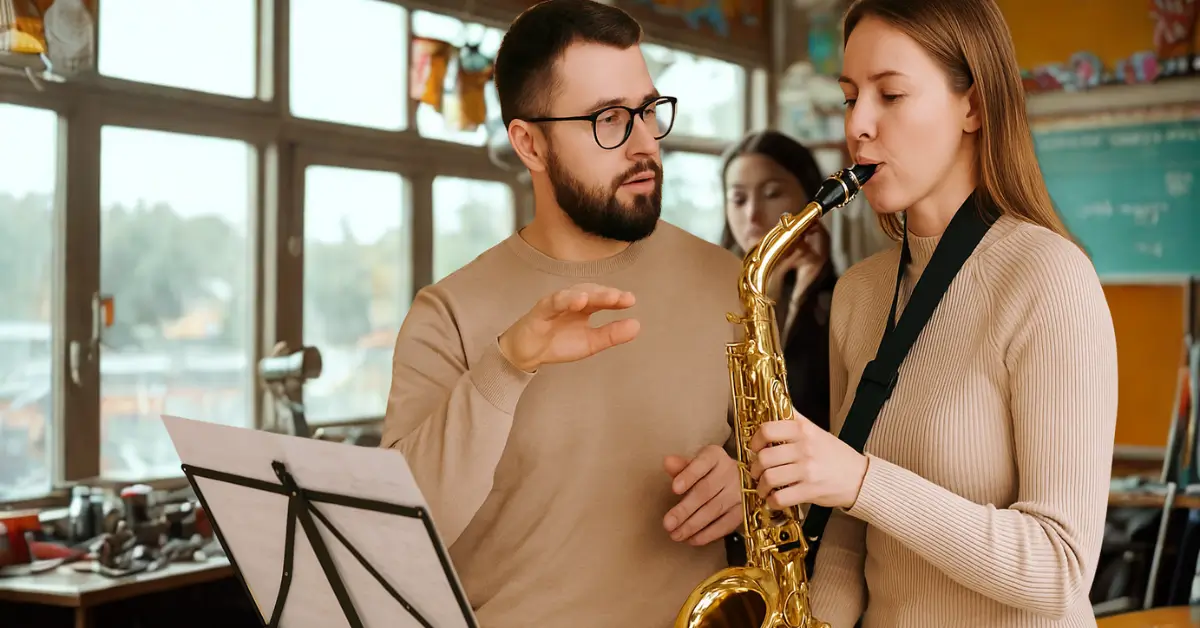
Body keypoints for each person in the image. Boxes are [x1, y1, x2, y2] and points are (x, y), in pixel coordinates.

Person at [745, 0, 1119, 626]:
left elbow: (1060, 569)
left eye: (890, 95)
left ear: (973, 105)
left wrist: (864, 481)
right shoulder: (858, 294)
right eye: (849, 97)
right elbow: (845, 543)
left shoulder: (1049, 277)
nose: (858, 125)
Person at [381, 1, 745, 626]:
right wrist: (505, 368)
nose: (643, 144)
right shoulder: (448, 313)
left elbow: (781, 465)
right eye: (607, 119)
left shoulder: (728, 282)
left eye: (647, 111)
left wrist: (747, 481)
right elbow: (397, 533)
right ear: (529, 143)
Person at [720, 130, 839, 432]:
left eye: (772, 194)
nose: (752, 215)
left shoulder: (844, 300)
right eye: (738, 199)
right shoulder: (704, 289)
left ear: (812, 202)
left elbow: (804, 411)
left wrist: (802, 300)